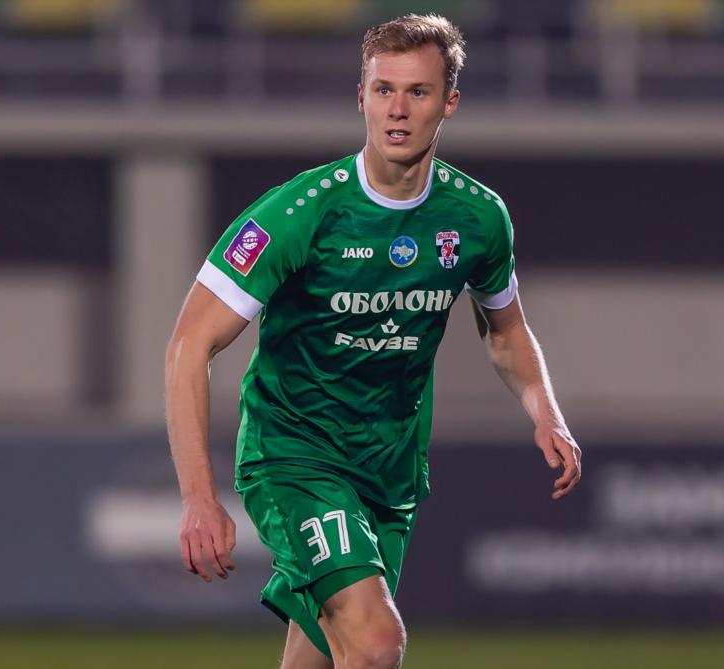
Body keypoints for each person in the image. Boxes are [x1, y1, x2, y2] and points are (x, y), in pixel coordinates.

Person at [164, 14, 581, 669]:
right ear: (360, 96)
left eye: (417, 92)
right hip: (295, 455)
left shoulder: (477, 218)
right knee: (376, 641)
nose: (397, 109)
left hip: (389, 473)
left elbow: (506, 332)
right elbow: (189, 346)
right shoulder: (301, 213)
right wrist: (198, 496)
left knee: (330, 654)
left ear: (450, 103)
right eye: (384, 89)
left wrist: (545, 410)